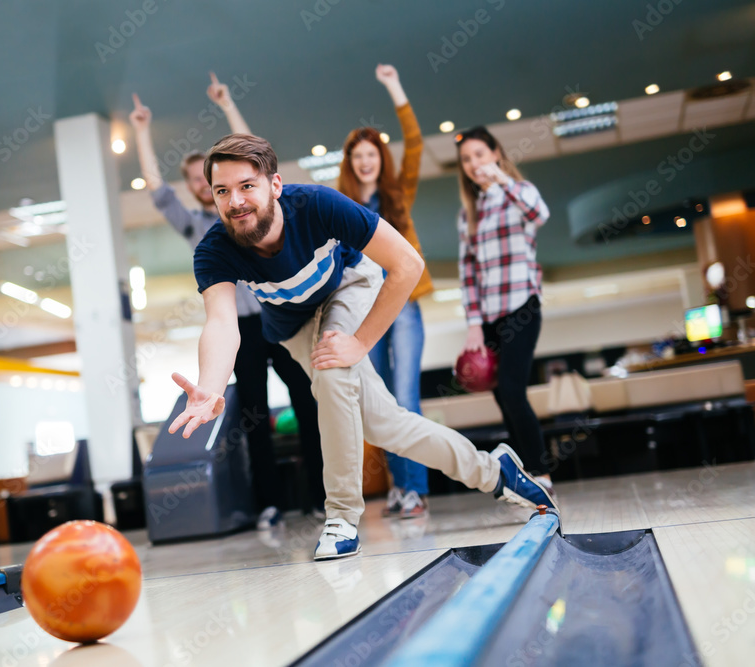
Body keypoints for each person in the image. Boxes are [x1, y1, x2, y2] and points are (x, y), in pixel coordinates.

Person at [168, 133, 557, 561]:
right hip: (294, 326)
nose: (235, 201)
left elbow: (408, 264)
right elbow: (223, 324)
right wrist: (211, 386)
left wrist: (361, 342)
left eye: (247, 186)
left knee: (333, 369)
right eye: (222, 191)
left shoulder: (318, 205)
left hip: (349, 286)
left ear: (274, 186)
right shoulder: (215, 248)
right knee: (386, 425)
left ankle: (341, 517)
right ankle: (494, 472)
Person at [129, 77, 325, 529]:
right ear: (199, 189)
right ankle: (271, 504)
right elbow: (156, 190)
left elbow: (254, 153)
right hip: (238, 331)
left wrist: (227, 103)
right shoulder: (197, 226)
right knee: (254, 416)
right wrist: (141, 130)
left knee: (307, 403)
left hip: (278, 316)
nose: (208, 186)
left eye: (213, 178)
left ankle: (318, 497)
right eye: (201, 182)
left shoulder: (251, 208)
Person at [336, 64, 431, 519]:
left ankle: (415, 489)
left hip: (405, 306)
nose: (365, 161)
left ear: (380, 158)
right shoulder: (343, 206)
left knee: (406, 396)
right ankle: (399, 488)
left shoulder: (398, 193)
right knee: (381, 403)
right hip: (367, 311)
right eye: (358, 156)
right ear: (351, 164)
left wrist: (395, 86)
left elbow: (415, 143)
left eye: (372, 153)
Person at [455, 126, 554, 494]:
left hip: (522, 304)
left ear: (495, 153)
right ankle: (528, 478)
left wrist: (501, 179)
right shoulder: (468, 214)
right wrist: (474, 325)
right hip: (490, 316)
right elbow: (468, 273)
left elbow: (539, 214)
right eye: (467, 159)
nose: (473, 164)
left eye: (480, 155)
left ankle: (541, 475)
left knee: (513, 390)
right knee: (502, 397)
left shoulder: (520, 192)